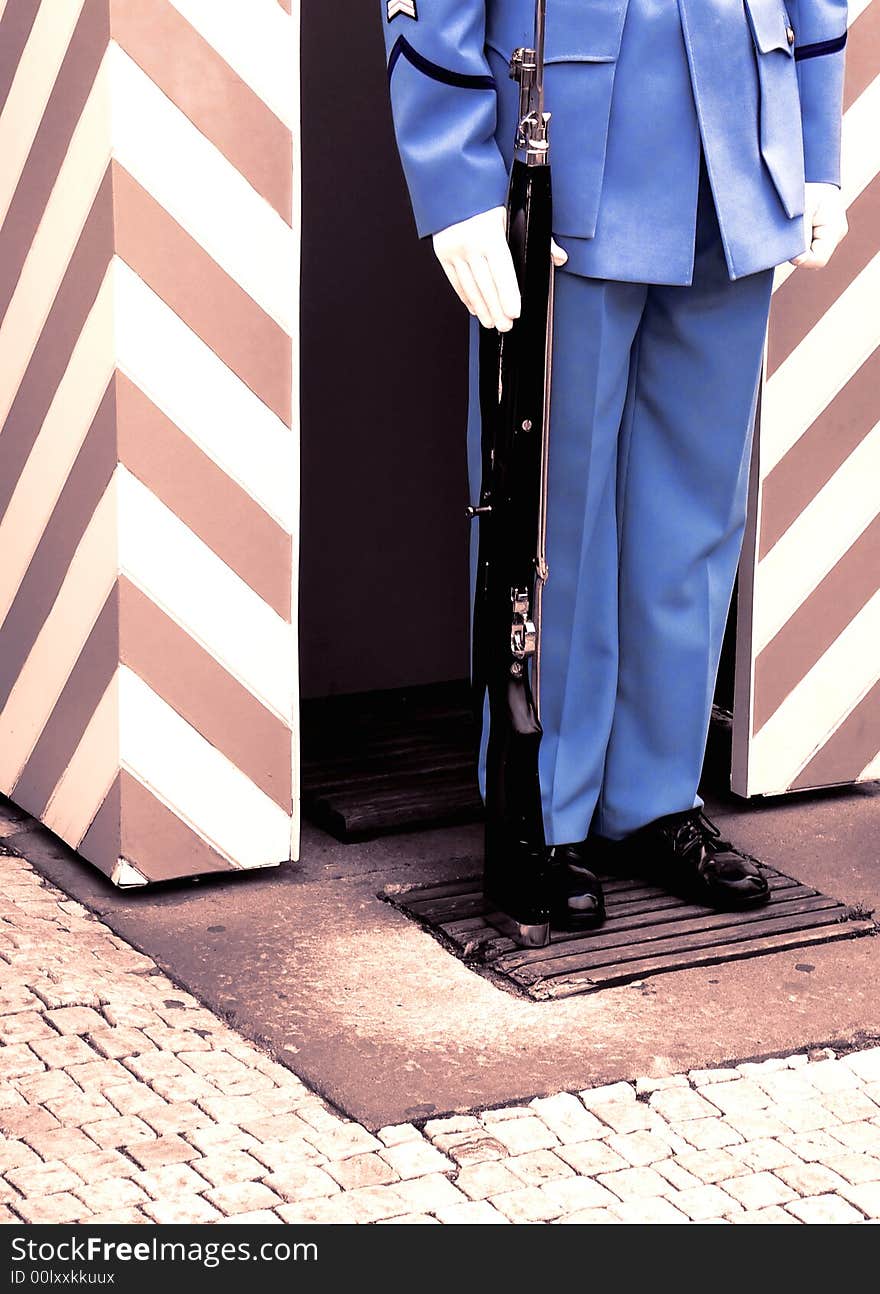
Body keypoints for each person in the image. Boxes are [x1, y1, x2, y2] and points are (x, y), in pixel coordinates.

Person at [380, 0, 849, 928]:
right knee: (555, 515)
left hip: (740, 151)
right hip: (577, 153)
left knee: (694, 516)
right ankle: (541, 810)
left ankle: (655, 797)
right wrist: (459, 177)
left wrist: (815, 150)